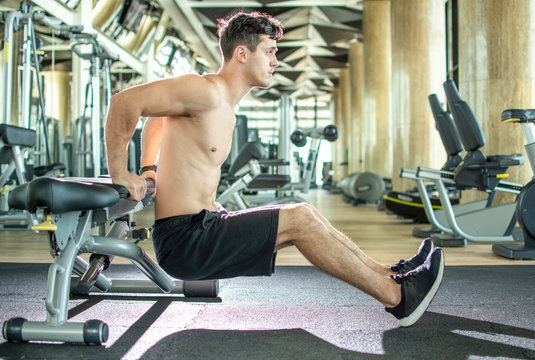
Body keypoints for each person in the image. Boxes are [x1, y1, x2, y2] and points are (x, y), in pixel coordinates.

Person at [105, 11, 444, 327]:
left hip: (206, 223)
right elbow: (126, 102)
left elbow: (158, 118)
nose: (276, 61)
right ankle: (398, 297)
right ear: (242, 54)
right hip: (186, 240)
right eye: (269, 52)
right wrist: (121, 173)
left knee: (305, 212)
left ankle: (392, 275)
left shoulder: (220, 102)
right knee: (300, 218)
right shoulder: (204, 90)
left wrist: (149, 167)